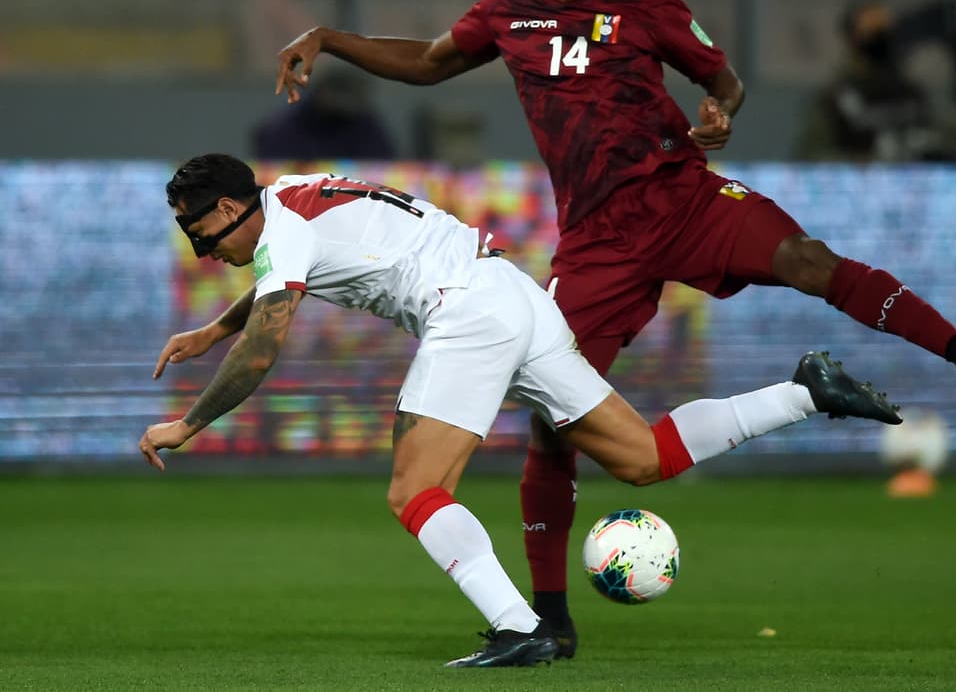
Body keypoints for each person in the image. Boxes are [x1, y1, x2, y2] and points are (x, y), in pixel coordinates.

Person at [273, 0, 956, 658]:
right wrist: (327, 38)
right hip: (597, 244)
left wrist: (720, 112)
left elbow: (723, 80)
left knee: (809, 259)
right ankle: (550, 618)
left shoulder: (648, 4)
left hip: (684, 198)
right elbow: (429, 62)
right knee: (553, 425)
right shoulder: (507, 13)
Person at [140, 154, 904, 668]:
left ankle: (519, 627)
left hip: (465, 311)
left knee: (413, 488)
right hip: (512, 294)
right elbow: (279, 276)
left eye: (201, 233)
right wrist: (215, 328)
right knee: (642, 458)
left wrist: (186, 424)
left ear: (232, 207)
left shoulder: (282, 232)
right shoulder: (291, 194)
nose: (203, 251)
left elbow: (264, 350)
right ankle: (804, 391)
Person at [793, 0, 931, 162]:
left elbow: (931, 141)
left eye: (884, 30)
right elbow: (812, 158)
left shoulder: (911, 94)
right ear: (852, 37)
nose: (880, 38)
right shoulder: (835, 96)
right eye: (871, 31)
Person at [252, 68, 396, 160]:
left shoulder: (363, 120)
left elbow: (382, 165)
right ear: (322, 93)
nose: (343, 109)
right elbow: (275, 174)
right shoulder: (283, 127)